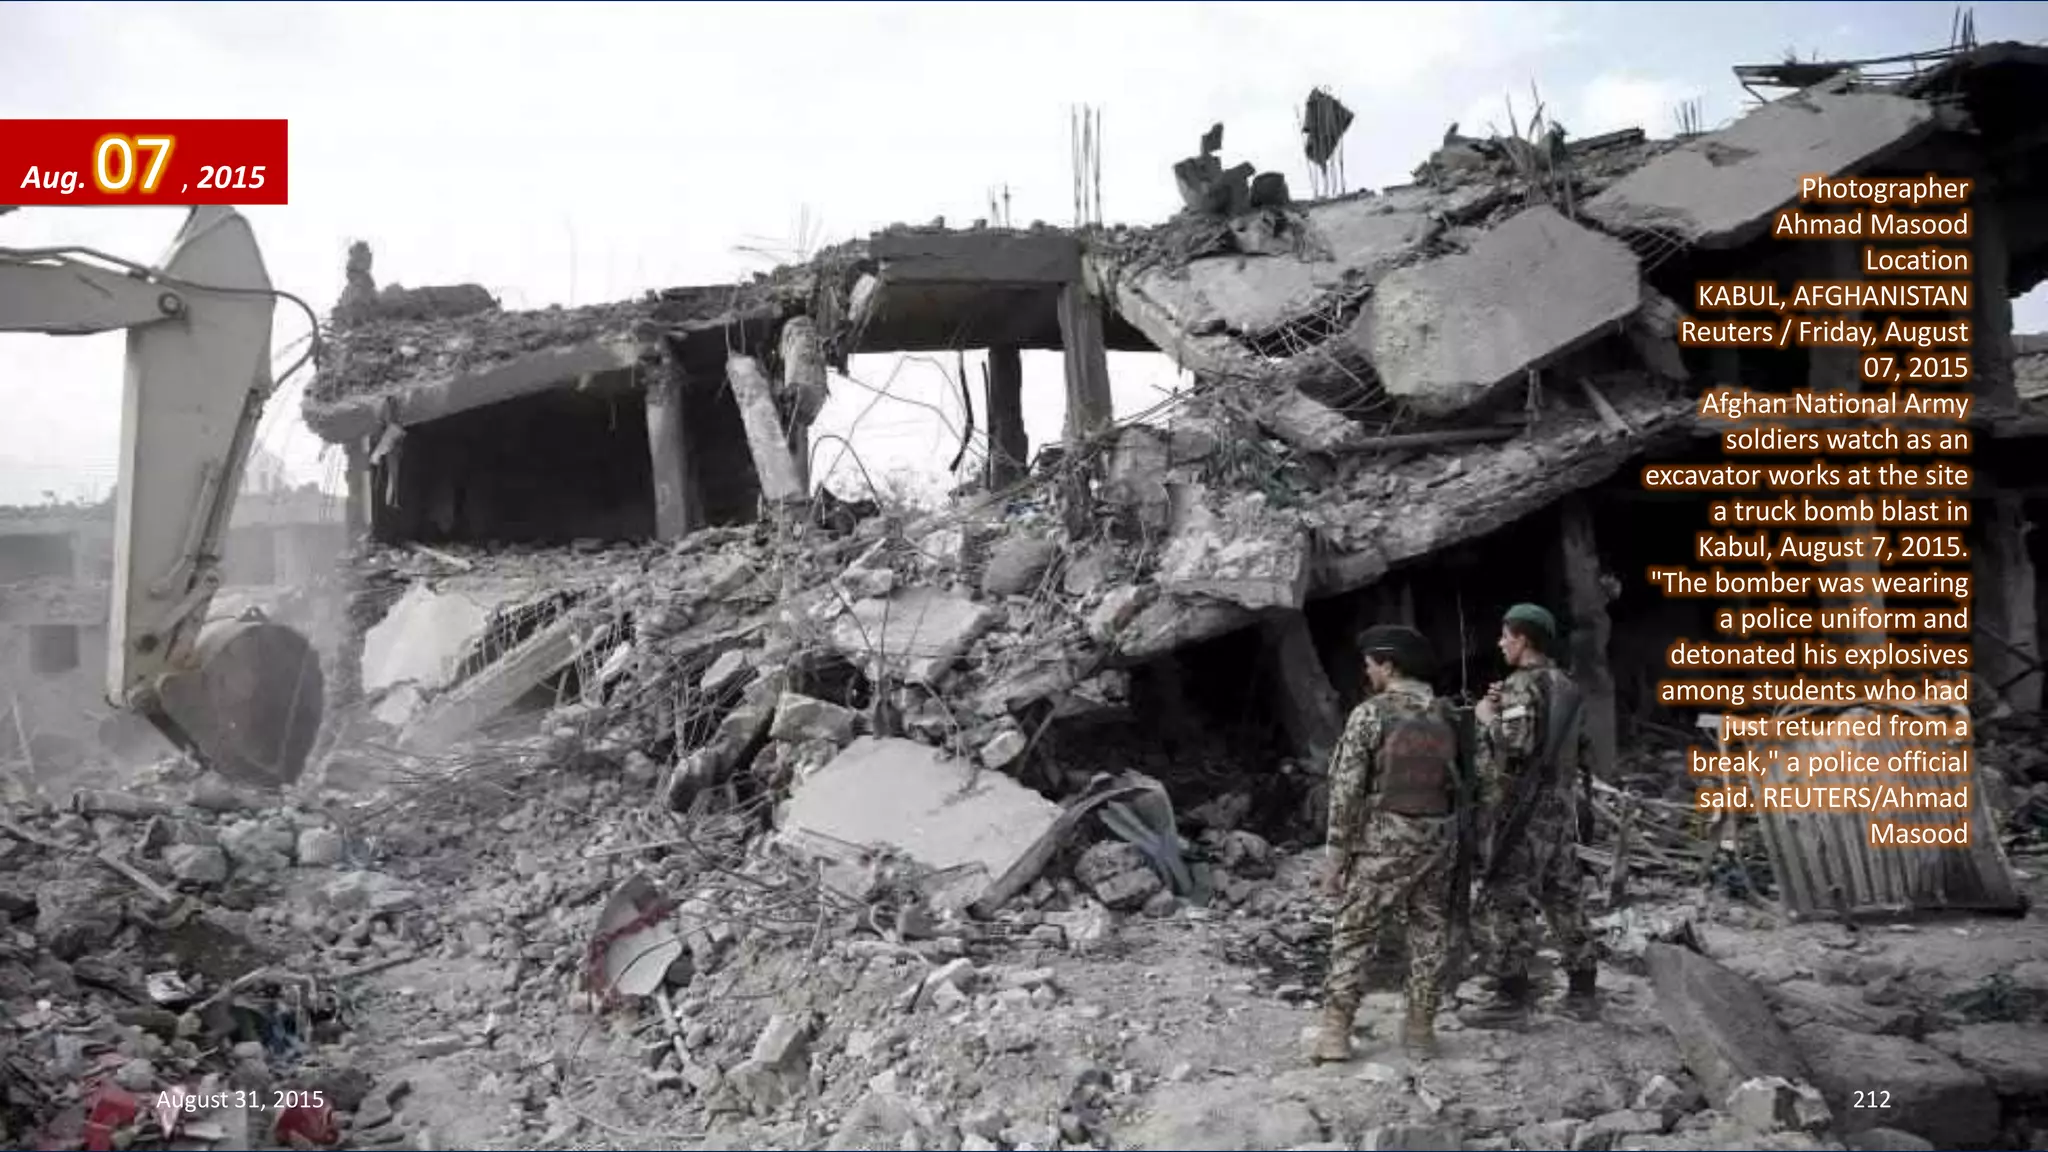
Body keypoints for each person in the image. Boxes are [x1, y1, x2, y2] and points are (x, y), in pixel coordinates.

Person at [1314, 624, 1463, 1063]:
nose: (1367, 672)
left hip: (1383, 840)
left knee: (1355, 932)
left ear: (1389, 665)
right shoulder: (1449, 715)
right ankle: (1420, 1032)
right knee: (1430, 932)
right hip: (1439, 839)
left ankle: (1335, 1035)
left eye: (1371, 664)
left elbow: (1345, 791)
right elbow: (1476, 784)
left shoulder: (1371, 714)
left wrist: (1334, 861)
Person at [1462, 603, 1599, 1028]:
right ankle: (1583, 990)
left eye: (1506, 636)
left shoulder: (1522, 684)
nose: (1501, 643)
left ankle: (1510, 997)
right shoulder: (1565, 683)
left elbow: (1516, 747)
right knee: (1564, 895)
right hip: (1560, 809)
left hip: (1523, 811)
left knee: (1505, 897)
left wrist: (1486, 718)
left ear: (1523, 639)